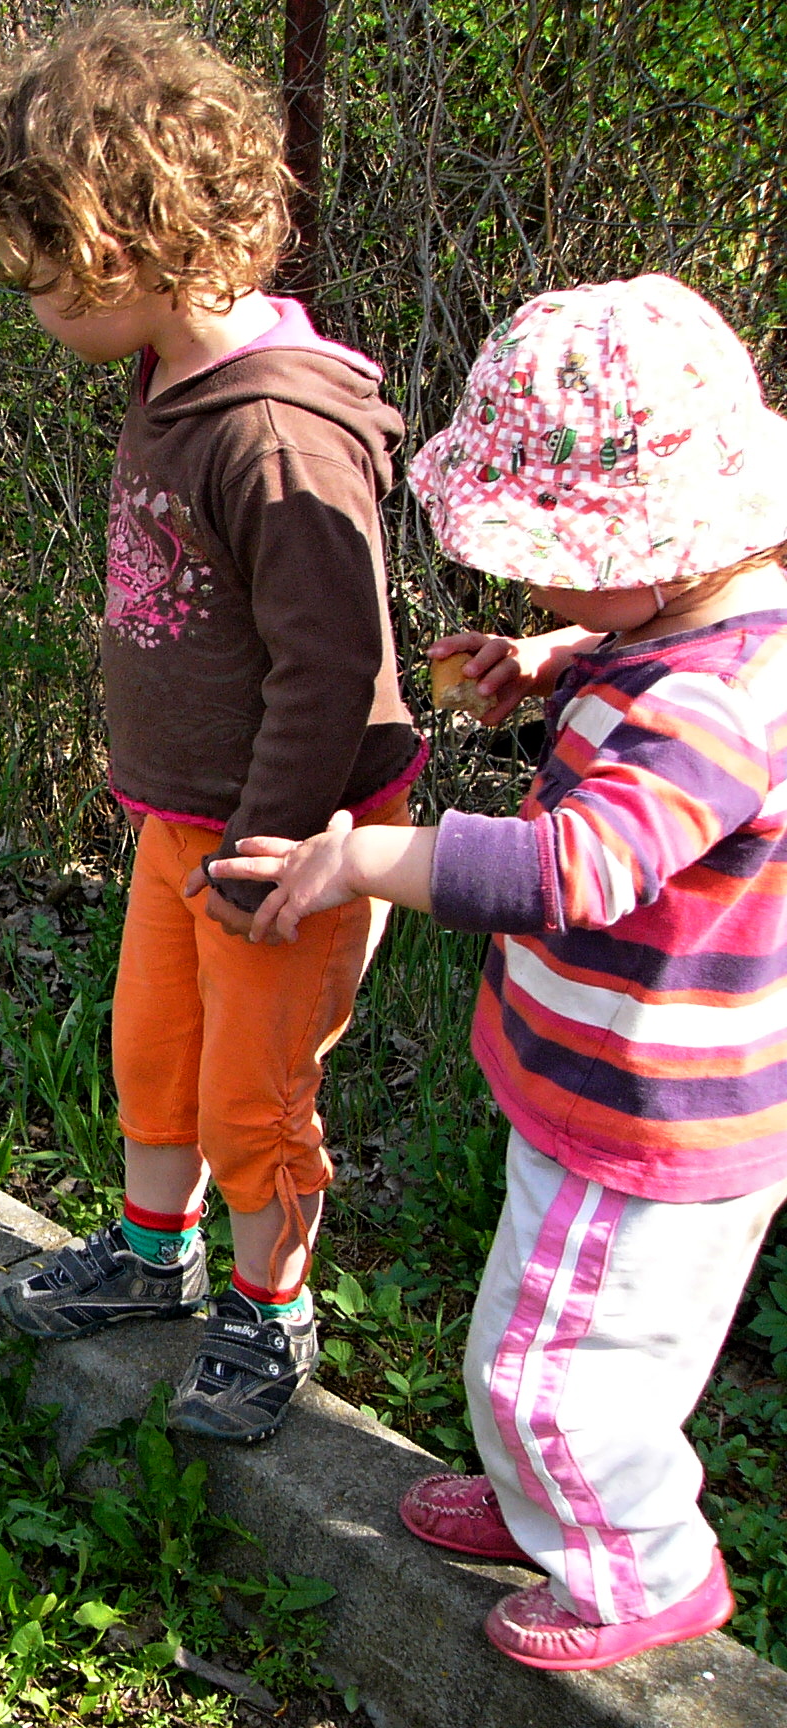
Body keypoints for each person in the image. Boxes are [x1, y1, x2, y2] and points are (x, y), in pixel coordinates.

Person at [212, 274, 787, 1669]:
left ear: (649, 547)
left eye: (546, 561)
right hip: (604, 1090)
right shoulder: (699, 624)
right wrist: (552, 655)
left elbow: (575, 867)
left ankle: (641, 1570)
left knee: (556, 1373)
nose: (525, 580)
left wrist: (369, 861)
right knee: (552, 1333)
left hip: (653, 1118)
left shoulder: (709, 708)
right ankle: (555, 1506)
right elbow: (636, 649)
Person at [0, 9, 423, 1441]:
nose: (29, 310)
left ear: (115, 245)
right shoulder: (169, 373)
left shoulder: (273, 433)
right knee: (156, 1050)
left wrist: (271, 843)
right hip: (186, 815)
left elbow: (330, 672)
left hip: (295, 834)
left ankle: (270, 1320)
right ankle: (157, 1258)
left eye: (35, 279)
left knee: (253, 1092)